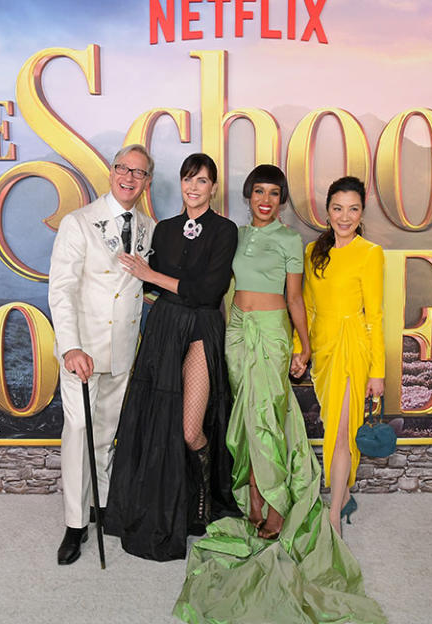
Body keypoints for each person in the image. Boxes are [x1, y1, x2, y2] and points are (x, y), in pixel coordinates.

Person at [172, 168, 386, 624]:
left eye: (274, 193)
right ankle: (252, 500)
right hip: (235, 333)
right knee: (243, 421)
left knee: (266, 417)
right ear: (248, 196)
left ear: (283, 200)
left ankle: (273, 504)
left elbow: (295, 300)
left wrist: (301, 345)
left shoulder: (293, 242)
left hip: (271, 334)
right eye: (258, 192)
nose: (265, 199)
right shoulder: (235, 233)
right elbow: (221, 287)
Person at [105, 153, 240, 561]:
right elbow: (152, 290)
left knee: (188, 429)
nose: (194, 187)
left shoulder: (225, 230)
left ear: (214, 188)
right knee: (155, 425)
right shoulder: (163, 230)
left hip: (200, 330)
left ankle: (204, 497)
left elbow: (207, 292)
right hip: (163, 330)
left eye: (202, 181)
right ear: (179, 184)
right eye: (187, 179)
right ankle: (173, 505)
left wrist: (153, 277)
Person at [47, 144, 156, 565]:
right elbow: (62, 289)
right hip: (84, 351)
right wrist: (70, 346)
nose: (129, 177)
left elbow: (137, 286)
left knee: (107, 433)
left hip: (123, 351)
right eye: (123, 169)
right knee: (78, 430)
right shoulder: (78, 222)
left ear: (147, 182)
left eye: (139, 173)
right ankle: (75, 525)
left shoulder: (147, 227)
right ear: (112, 172)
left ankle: (103, 508)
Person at [302, 175, 385, 534]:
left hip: (353, 348)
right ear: (327, 212)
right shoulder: (312, 252)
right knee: (330, 424)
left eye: (353, 209)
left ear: (362, 212)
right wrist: (299, 350)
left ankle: (333, 514)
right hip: (322, 350)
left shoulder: (370, 253)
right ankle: (345, 493)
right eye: (338, 208)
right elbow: (304, 307)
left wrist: (377, 371)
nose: (345, 216)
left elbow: (376, 315)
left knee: (339, 433)